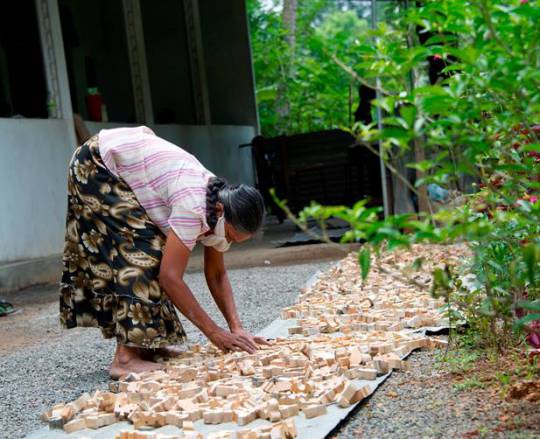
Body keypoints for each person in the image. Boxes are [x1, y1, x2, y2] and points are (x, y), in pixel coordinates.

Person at [59, 126, 269, 379]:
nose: (228, 244)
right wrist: (215, 333)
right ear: (222, 211)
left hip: (125, 159)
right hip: (97, 163)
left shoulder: (217, 204)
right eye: (232, 237)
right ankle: (125, 359)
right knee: (145, 252)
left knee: (162, 251)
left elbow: (216, 273)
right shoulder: (193, 205)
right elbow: (170, 278)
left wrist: (236, 328)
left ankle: (148, 346)